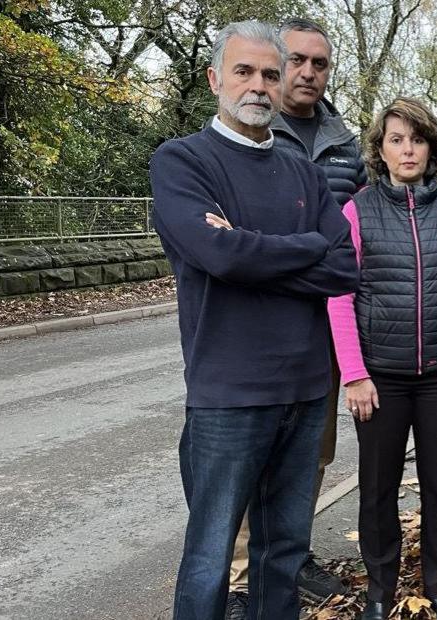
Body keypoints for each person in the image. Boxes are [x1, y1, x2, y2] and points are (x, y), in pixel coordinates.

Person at [149, 20, 360, 620]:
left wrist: (250, 248)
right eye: (245, 71)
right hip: (229, 396)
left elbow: (344, 266)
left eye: (272, 73)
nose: (260, 86)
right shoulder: (182, 162)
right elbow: (218, 254)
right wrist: (302, 246)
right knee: (210, 557)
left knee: (284, 554)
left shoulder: (304, 173)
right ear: (216, 78)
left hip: (307, 388)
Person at [326, 97, 437, 620]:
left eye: (417, 139)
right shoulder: (356, 210)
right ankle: (380, 590)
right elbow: (340, 297)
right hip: (379, 378)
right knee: (377, 489)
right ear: (380, 148)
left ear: (431, 146)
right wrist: (353, 374)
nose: (408, 149)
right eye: (397, 139)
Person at [225, 18, 365, 614]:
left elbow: (346, 247)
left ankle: (288, 559)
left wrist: (282, 253)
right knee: (244, 454)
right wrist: (300, 252)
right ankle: (235, 576)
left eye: (320, 64)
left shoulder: (347, 146)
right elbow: (232, 247)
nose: (308, 73)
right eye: (298, 61)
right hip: (252, 327)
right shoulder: (246, 130)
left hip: (325, 322)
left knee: (313, 451)